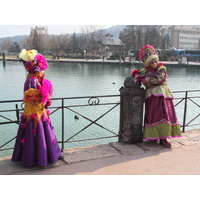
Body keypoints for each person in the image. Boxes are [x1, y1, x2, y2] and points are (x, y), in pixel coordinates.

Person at [12, 49, 62, 166]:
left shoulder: (31, 80)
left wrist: (43, 96)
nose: (23, 65)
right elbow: (43, 95)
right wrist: (45, 97)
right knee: (42, 135)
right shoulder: (37, 78)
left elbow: (36, 96)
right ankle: (44, 157)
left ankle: (34, 159)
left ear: (28, 65)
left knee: (33, 135)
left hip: (33, 113)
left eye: (24, 63)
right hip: (39, 112)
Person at [131, 45, 182, 148]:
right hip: (151, 97)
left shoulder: (162, 68)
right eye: (152, 62)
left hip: (163, 96)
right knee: (153, 116)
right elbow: (142, 80)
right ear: (148, 63)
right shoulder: (143, 71)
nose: (155, 64)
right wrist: (147, 80)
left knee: (164, 115)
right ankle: (154, 137)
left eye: (155, 61)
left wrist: (148, 80)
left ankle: (164, 138)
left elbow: (159, 79)